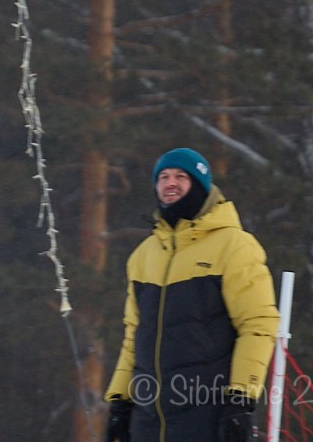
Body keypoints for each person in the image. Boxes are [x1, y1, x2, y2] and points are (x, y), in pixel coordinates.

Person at [104, 147, 281, 442]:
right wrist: (120, 401)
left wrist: (241, 399)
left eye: (180, 176)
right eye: (163, 177)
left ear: (200, 185)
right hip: (149, 420)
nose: (170, 183)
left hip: (207, 414)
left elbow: (258, 325)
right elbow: (134, 335)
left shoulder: (234, 246)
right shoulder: (143, 256)